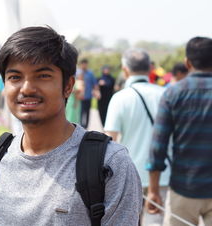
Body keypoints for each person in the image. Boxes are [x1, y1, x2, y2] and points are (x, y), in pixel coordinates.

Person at [0, 26, 142, 225]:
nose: (26, 88)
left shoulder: (110, 164)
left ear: (68, 86)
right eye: (15, 77)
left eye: (42, 75)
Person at [146, 36, 212, 226]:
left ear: (187, 62)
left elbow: (158, 145)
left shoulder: (173, 93)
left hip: (184, 187)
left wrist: (153, 189)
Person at [104, 49, 171, 226]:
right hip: (162, 172)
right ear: (150, 68)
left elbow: (109, 139)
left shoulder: (120, 98)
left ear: (124, 70)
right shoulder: (164, 94)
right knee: (155, 221)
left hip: (129, 173)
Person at [78, 59, 99, 128]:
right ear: (80, 65)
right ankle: (79, 126)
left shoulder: (90, 73)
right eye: (83, 64)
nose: (84, 65)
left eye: (85, 64)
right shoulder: (77, 73)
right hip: (79, 97)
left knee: (87, 112)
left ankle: (86, 127)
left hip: (88, 96)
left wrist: (96, 92)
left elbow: (95, 84)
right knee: (80, 112)